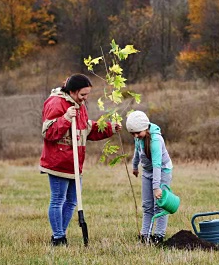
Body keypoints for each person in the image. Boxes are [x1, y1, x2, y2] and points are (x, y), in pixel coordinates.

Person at [39, 74, 121, 246]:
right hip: (58, 161)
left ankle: (61, 233)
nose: (85, 98)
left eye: (87, 95)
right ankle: (58, 237)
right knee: (58, 199)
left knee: (72, 201)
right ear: (72, 91)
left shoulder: (80, 105)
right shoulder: (55, 103)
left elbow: (87, 128)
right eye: (83, 94)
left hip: (76, 163)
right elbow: (48, 132)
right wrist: (66, 118)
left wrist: (109, 128)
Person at [126, 110, 173, 244]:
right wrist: (135, 167)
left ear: (145, 128)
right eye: (132, 133)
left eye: (138, 132)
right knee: (147, 205)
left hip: (162, 171)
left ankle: (159, 235)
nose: (135, 136)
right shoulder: (138, 138)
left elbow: (157, 165)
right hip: (147, 172)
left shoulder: (156, 140)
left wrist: (157, 187)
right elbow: (137, 152)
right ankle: (145, 234)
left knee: (160, 205)